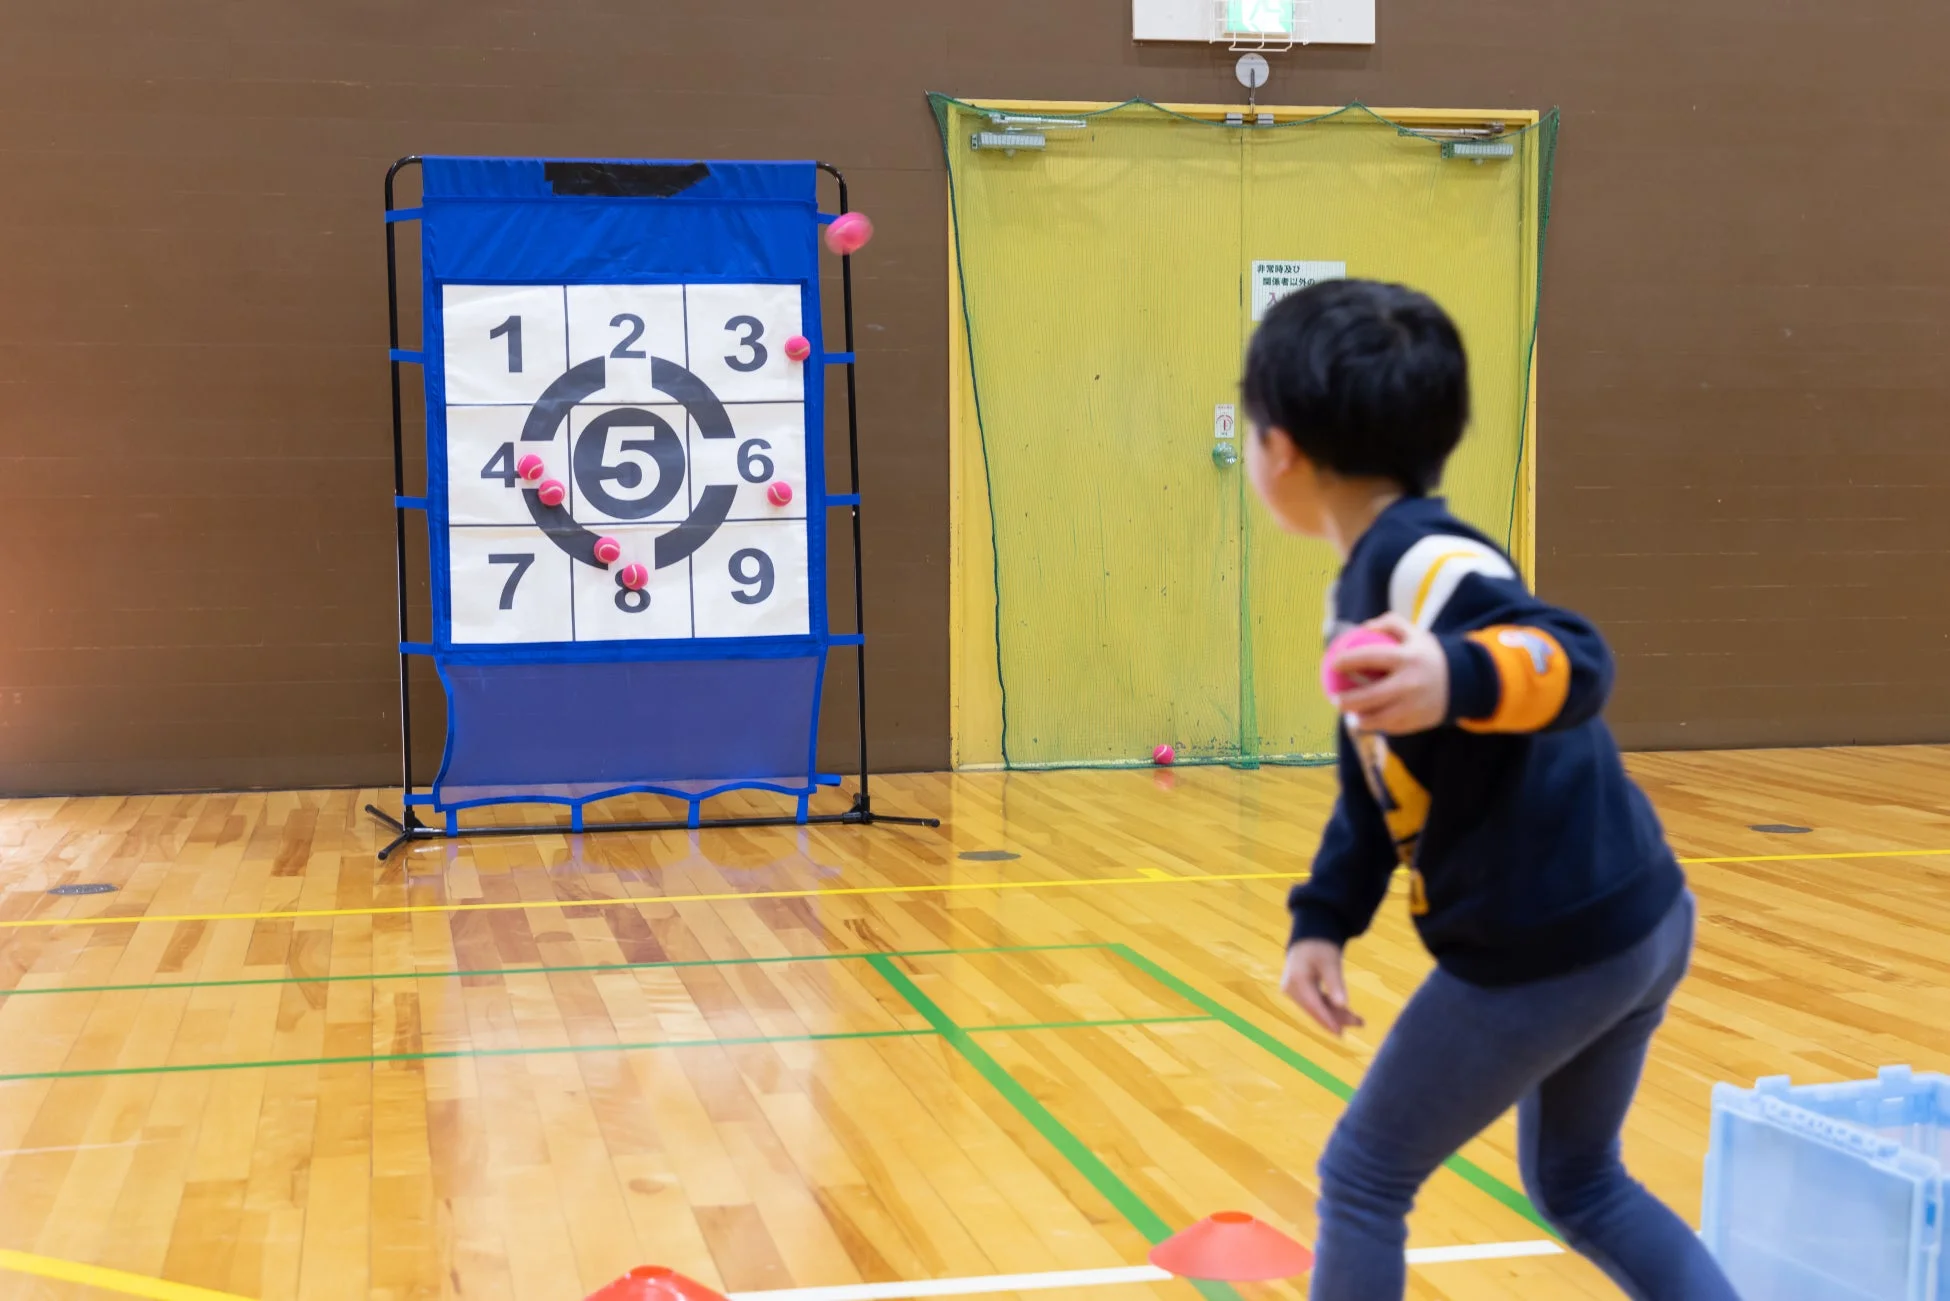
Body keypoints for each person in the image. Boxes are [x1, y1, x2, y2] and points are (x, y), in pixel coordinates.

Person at [1240, 278, 1739, 1300]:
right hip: (1637, 920)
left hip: (1548, 947)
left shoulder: (1429, 562)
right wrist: (1323, 919)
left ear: (1278, 446)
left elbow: (1574, 654)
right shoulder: (1367, 584)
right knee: (1580, 1179)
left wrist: (1457, 677)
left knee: (1364, 1173)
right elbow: (1374, 786)